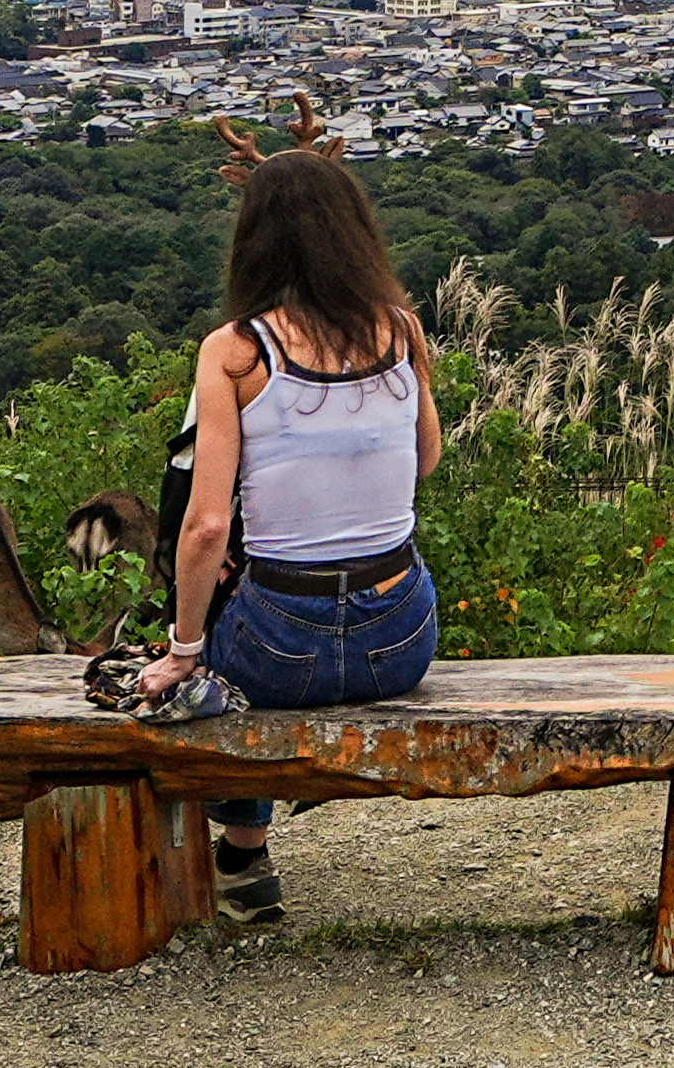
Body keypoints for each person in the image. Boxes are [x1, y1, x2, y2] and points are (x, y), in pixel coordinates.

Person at [138, 111, 447, 924]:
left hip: (281, 642)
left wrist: (181, 651)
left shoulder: (235, 350)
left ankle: (243, 851)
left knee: (220, 671)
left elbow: (205, 525)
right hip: (400, 639)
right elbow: (425, 462)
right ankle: (243, 855)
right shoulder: (400, 330)